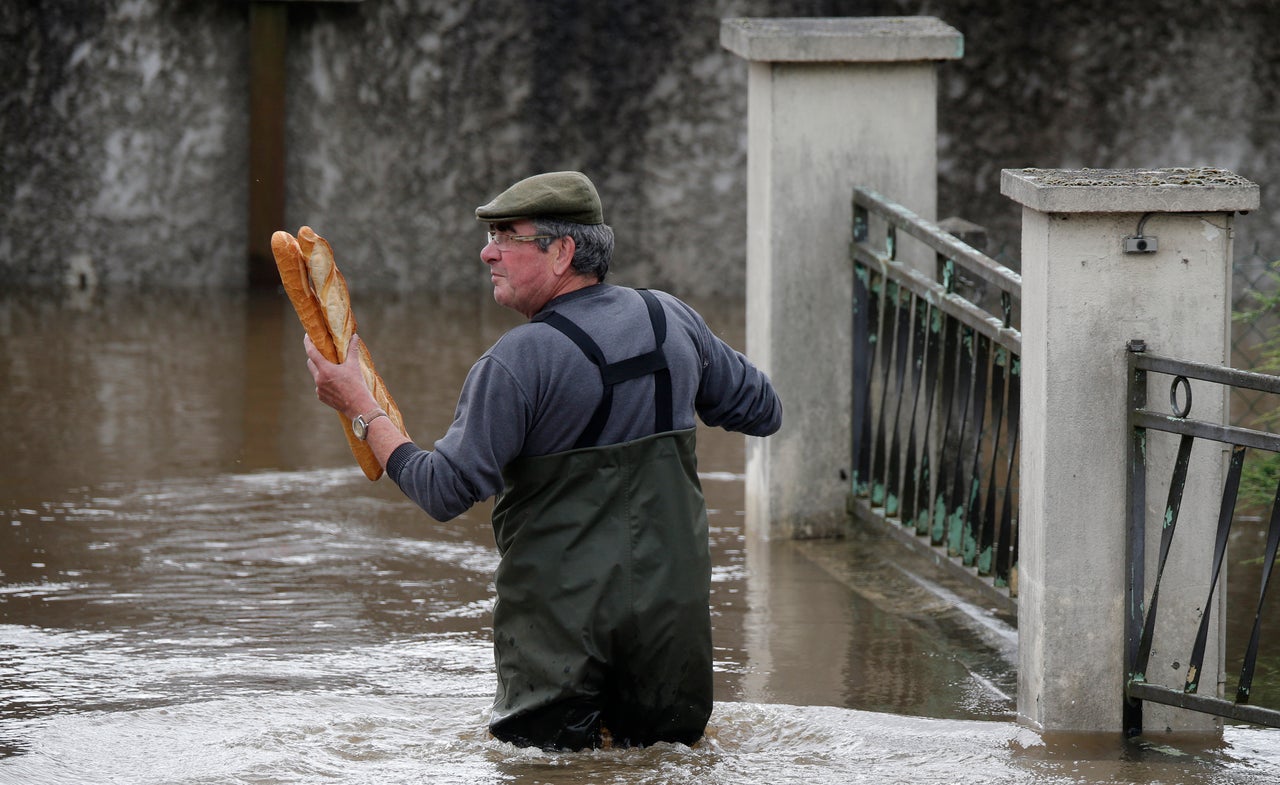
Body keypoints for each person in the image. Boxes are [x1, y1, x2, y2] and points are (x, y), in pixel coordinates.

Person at [304, 170, 782, 750]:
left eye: (507, 236)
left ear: (563, 252)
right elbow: (763, 410)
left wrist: (360, 409)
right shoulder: (672, 320)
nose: (487, 252)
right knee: (665, 763)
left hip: (560, 639)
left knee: (547, 772)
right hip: (672, 627)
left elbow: (442, 491)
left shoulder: (517, 362)